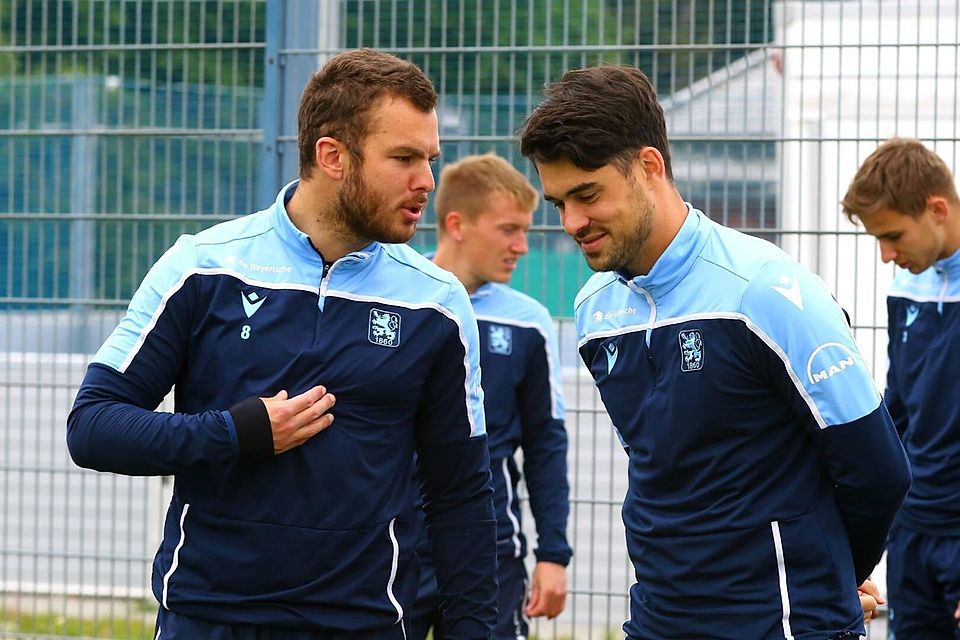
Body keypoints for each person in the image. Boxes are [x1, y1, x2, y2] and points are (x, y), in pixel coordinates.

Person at [66, 48, 498, 639]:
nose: (427, 180)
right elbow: (93, 427)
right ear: (332, 156)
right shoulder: (203, 266)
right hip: (208, 619)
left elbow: (461, 495)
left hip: (362, 625)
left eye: (429, 158)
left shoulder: (437, 303)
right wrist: (236, 434)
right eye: (403, 158)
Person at [517, 63, 912, 639]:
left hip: (782, 621)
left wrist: (835, 573)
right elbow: (659, 466)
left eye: (587, 194)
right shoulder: (594, 310)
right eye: (558, 202)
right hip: (657, 618)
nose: (572, 222)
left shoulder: (765, 291)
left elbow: (878, 471)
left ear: (649, 167)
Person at [410, 154, 572, 640]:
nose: (522, 246)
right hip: (393, 546)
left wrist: (553, 554)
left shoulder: (529, 322)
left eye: (525, 230)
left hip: (492, 548)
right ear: (456, 224)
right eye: (508, 229)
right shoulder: (397, 300)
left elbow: (546, 443)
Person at [842, 137, 960, 639]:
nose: (887, 255)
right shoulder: (908, 285)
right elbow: (900, 409)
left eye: (893, 235)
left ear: (937, 209)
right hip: (912, 527)